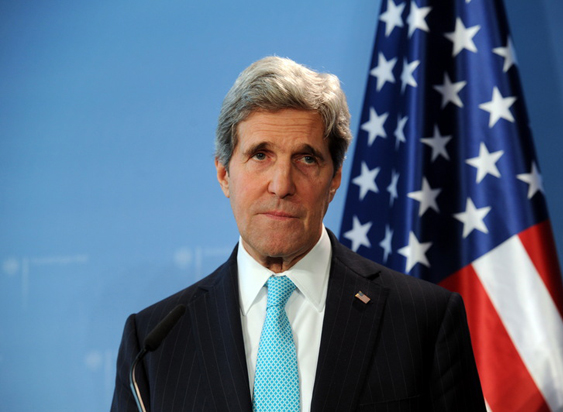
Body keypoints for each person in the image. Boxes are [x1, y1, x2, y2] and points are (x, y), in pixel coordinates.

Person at [110, 56, 486, 412]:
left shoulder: (423, 320)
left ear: (334, 179)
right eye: (261, 155)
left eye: (306, 159)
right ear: (225, 174)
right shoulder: (154, 343)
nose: (281, 184)